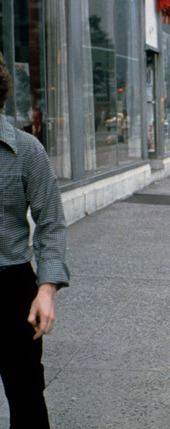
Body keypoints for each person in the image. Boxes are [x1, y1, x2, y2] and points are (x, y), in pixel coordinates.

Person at [0, 51, 70, 428]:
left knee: (26, 397)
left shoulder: (26, 150)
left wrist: (46, 290)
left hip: (12, 288)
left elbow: (51, 223)